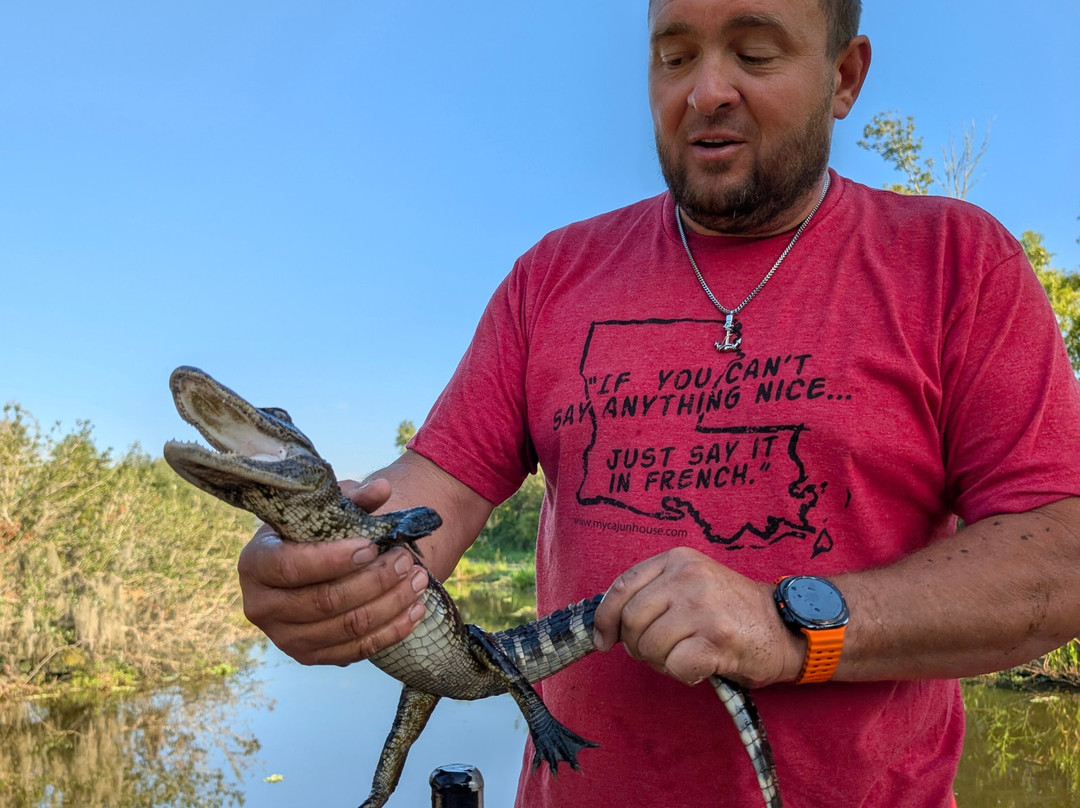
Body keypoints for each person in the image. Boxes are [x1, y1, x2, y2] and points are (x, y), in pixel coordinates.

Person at [237, 1, 1080, 806]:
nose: (705, 90)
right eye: (674, 56)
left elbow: (1060, 558)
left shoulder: (956, 263)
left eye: (754, 53)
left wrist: (788, 625)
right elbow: (430, 494)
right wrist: (319, 567)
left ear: (845, 76)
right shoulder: (552, 277)